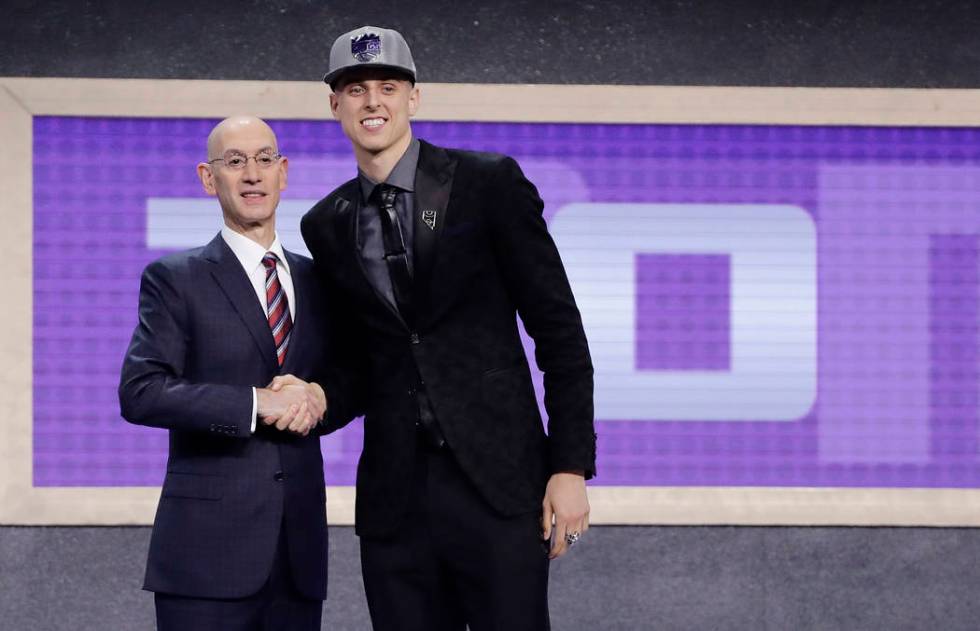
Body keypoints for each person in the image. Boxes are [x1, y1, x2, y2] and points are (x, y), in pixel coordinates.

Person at [293, 25, 597, 630]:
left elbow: (559, 331)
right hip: (395, 500)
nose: (371, 101)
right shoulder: (325, 223)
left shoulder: (488, 184)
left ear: (414, 97)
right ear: (334, 105)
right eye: (355, 89)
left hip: (498, 486)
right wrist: (317, 395)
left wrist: (568, 467)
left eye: (387, 86)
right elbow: (362, 359)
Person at [118, 116, 333, 631]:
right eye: (234, 162)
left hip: (298, 554)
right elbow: (141, 392)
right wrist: (258, 403)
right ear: (207, 178)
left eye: (264, 160)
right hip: (204, 559)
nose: (252, 174)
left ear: (284, 172)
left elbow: (349, 380)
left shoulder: (321, 280)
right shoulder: (174, 278)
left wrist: (323, 395)